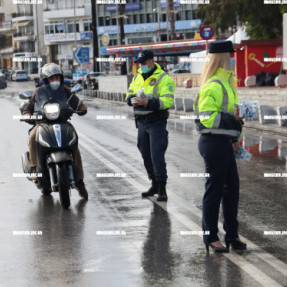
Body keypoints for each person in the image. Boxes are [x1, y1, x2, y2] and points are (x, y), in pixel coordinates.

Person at [194, 41, 247, 253]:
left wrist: (235, 139)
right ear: (223, 58)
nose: (233, 59)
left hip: (224, 142)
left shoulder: (227, 84)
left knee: (231, 190)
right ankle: (210, 236)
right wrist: (232, 118)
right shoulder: (214, 85)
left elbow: (230, 118)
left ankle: (232, 234)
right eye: (230, 55)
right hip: (212, 143)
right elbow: (207, 118)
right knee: (214, 190)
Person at [23, 63, 89, 199]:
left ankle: (79, 182)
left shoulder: (65, 91)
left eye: (57, 77)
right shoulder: (38, 92)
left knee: (74, 145)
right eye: (51, 78)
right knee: (33, 136)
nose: (55, 81)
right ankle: (35, 168)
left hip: (62, 122)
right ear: (46, 80)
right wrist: (27, 114)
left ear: (61, 78)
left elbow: (76, 102)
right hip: (43, 123)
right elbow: (29, 106)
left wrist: (81, 107)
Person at [125, 50, 175, 201]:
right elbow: (129, 94)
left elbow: (168, 101)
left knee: (156, 155)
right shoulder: (137, 76)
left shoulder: (163, 78)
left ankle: (162, 188)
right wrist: (131, 100)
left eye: (144, 63)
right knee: (145, 154)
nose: (142, 66)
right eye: (140, 63)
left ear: (152, 61)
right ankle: (153, 183)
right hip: (141, 121)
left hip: (156, 121)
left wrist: (148, 102)